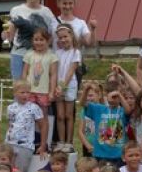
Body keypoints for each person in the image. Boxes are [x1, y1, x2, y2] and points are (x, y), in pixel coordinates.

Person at [5, 0, 57, 81]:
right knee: (19, 86)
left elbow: (52, 34)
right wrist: (6, 36)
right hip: (19, 55)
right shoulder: (16, 10)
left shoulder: (47, 12)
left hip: (40, 56)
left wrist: (45, 47)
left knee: (37, 85)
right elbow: (10, 34)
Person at [22, 26, 58, 151]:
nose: (38, 42)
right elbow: (24, 73)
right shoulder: (29, 55)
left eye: (41, 39)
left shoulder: (52, 57)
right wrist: (23, 89)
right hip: (30, 92)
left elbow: (53, 75)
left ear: (48, 41)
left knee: (43, 119)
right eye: (36, 39)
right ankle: (28, 142)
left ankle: (43, 144)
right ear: (32, 41)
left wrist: (51, 91)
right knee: (28, 117)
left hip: (43, 92)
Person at [82, 80, 132, 166]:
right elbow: (83, 103)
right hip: (100, 153)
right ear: (106, 95)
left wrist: (119, 95)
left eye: (115, 97)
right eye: (110, 96)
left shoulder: (122, 110)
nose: (113, 99)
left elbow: (128, 111)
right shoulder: (99, 108)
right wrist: (86, 90)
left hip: (118, 154)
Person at [5, 80, 46, 172]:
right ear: (15, 93)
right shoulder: (10, 108)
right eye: (22, 92)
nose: (25, 95)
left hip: (25, 146)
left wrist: (43, 145)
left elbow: (43, 126)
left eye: (28, 92)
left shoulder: (34, 108)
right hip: (9, 144)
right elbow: (10, 124)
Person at [54, 23, 81, 152]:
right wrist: (56, 87)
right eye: (60, 38)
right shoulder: (57, 53)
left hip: (69, 86)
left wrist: (62, 86)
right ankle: (61, 141)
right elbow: (54, 71)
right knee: (60, 115)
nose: (63, 40)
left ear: (71, 36)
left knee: (68, 115)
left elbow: (71, 71)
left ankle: (69, 142)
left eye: (65, 36)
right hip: (58, 87)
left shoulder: (76, 52)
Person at [77, 81, 103, 157]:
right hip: (88, 146)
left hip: (101, 146)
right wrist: (87, 145)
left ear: (99, 95)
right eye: (86, 96)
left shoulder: (104, 109)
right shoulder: (84, 111)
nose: (88, 98)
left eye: (91, 95)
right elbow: (80, 131)